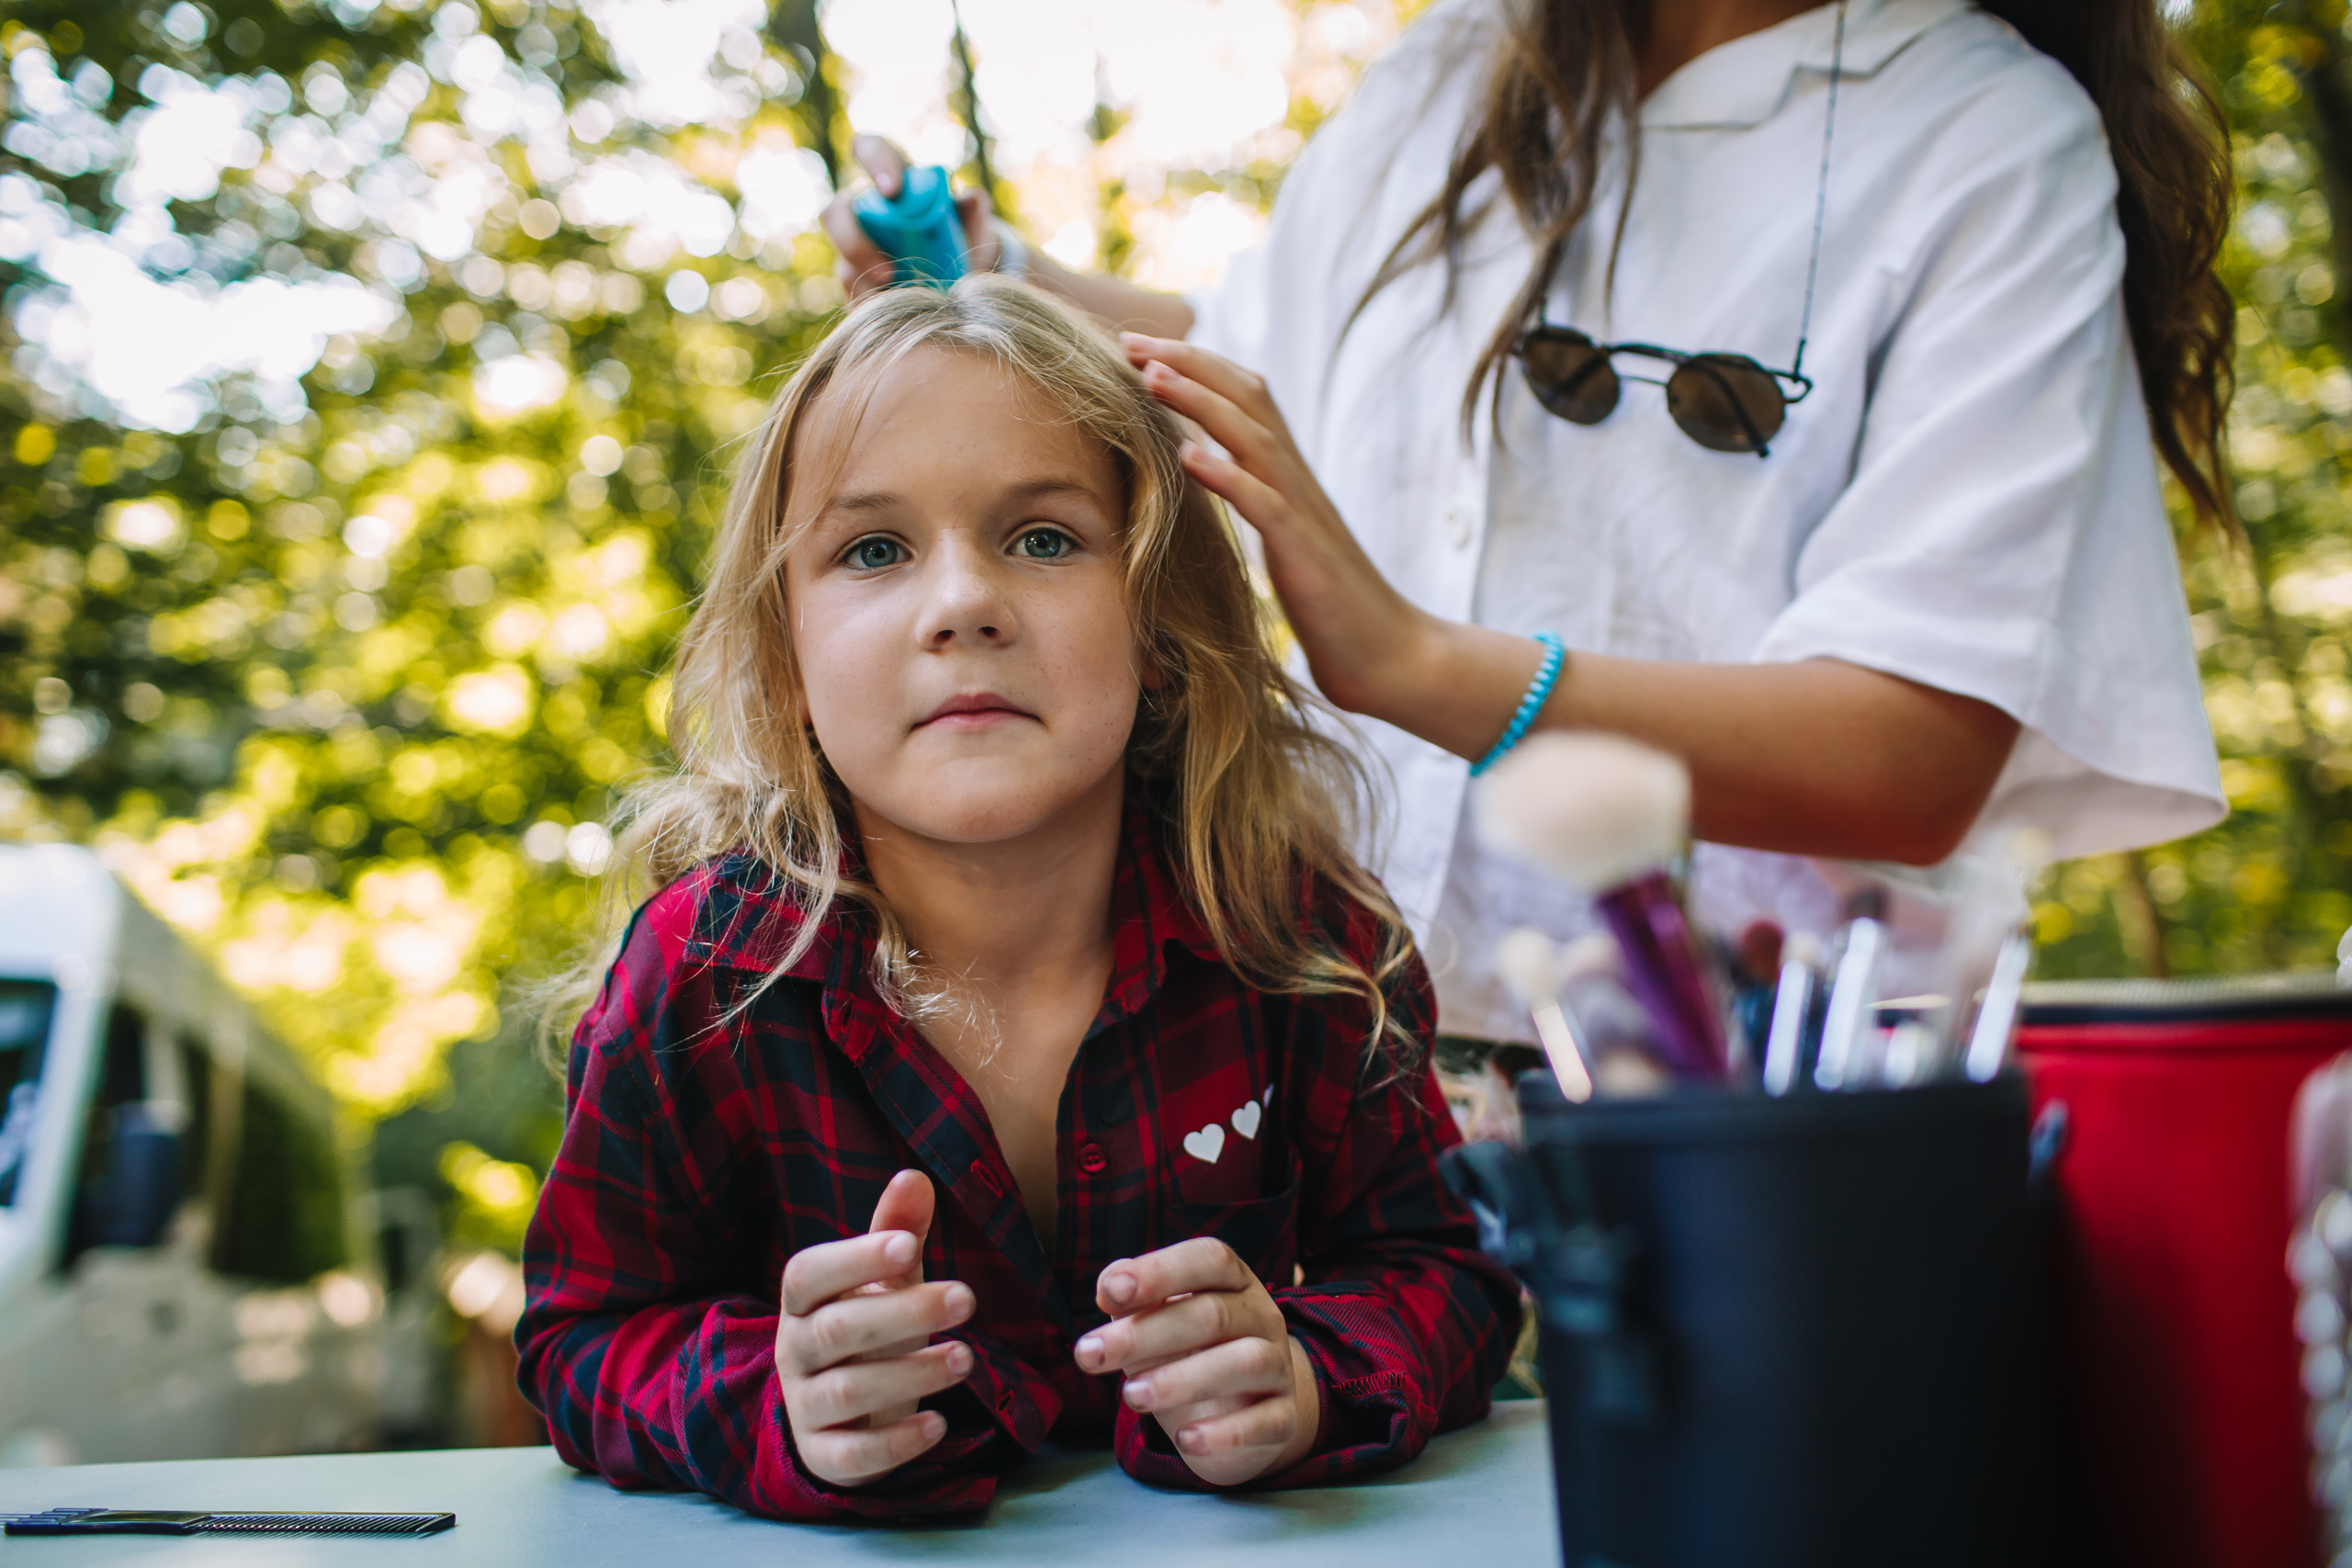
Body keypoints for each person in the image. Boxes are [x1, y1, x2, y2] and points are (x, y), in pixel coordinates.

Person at [823, 0, 2230, 1055]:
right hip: (1339, 1062)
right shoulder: (1456, 73)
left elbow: (1912, 754)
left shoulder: (1982, 138)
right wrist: (1001, 281)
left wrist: (1421, 668)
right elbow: (1266, 364)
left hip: (1749, 1101)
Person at [514, 277, 1520, 1519]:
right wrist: (779, 1404)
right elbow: (581, 1340)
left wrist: (1306, 1374)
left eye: (1043, 538)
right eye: (873, 550)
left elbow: (1449, 1274)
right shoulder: (706, 972)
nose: (963, 606)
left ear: (1157, 624)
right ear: (789, 655)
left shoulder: (1301, 937)